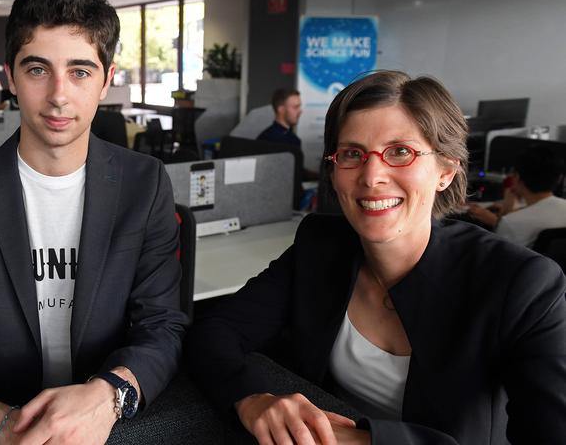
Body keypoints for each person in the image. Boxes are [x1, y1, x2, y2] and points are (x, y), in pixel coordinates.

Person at [186, 70, 566, 444]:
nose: (371, 176)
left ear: (446, 172)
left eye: (400, 151)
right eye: (352, 153)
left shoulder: (522, 284)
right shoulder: (322, 245)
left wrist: (363, 441)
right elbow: (215, 331)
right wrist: (251, 398)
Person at [0, 0, 187, 443]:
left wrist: (109, 395)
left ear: (106, 79)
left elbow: (162, 325)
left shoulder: (145, 183)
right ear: (11, 77)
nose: (59, 95)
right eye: (38, 69)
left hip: (114, 424)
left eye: (80, 71)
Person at [469, 145, 566, 247]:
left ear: (517, 177)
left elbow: (497, 255)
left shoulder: (511, 223)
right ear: (559, 178)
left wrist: (500, 220)